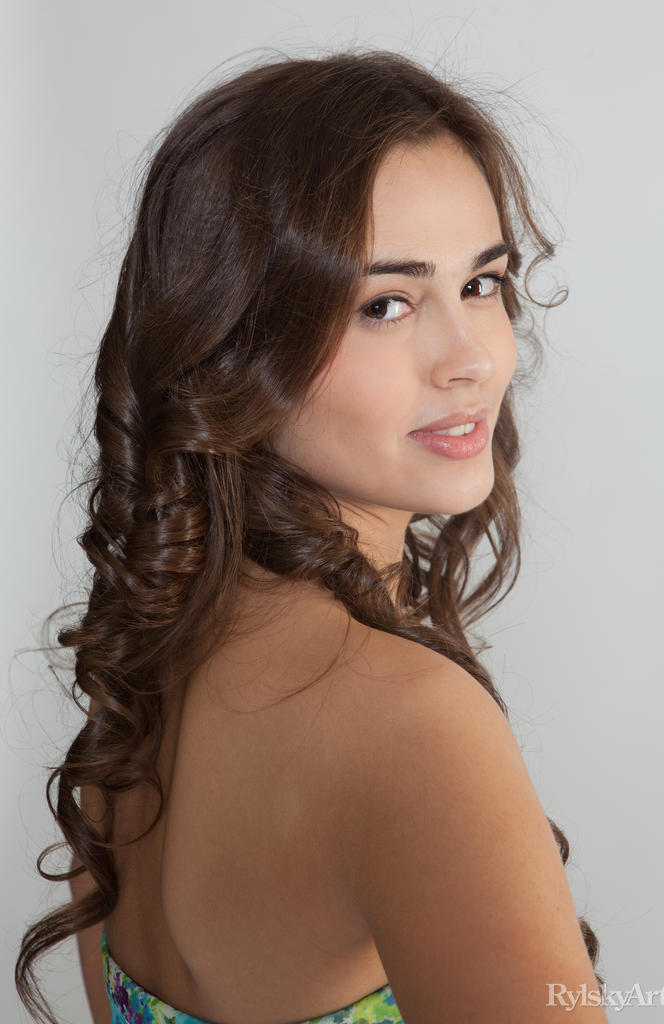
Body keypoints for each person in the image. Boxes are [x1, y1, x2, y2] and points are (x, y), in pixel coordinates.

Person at [16, 48, 609, 1024]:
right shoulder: (414, 725)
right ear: (230, 343)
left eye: (483, 283)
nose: (470, 358)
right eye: (386, 304)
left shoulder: (140, 696)